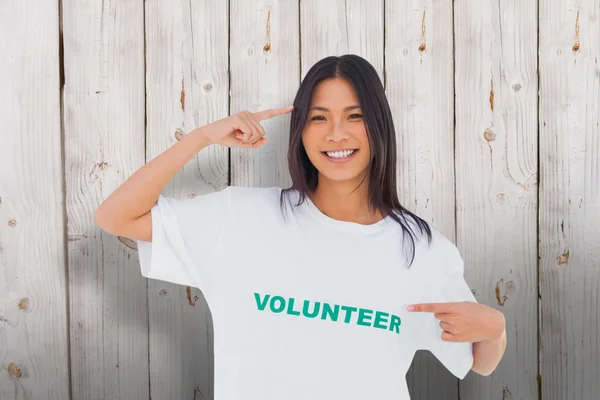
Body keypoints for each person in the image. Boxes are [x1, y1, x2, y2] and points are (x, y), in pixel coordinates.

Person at [94, 54, 506, 399]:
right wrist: (201, 137)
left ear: (379, 125)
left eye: (355, 115)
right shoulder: (241, 219)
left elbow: (477, 362)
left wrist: (497, 328)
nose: (336, 134)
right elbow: (116, 217)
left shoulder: (421, 247)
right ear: (301, 133)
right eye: (318, 118)